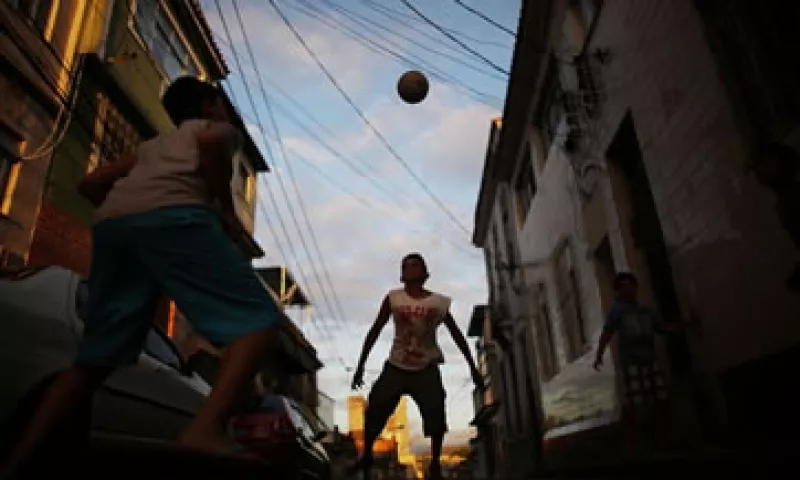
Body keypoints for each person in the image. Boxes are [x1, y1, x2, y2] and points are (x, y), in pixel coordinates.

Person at [2, 77, 283, 477]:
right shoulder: (214, 130)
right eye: (220, 104)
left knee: (92, 362)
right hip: (177, 216)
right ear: (208, 105)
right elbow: (214, 141)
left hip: (115, 225)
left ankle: (17, 460)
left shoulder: (152, 148)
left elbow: (91, 182)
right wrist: (222, 204)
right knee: (259, 324)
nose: (225, 113)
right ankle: (205, 428)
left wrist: (131, 214)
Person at [348, 253, 483, 480]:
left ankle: (436, 465)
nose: (410, 268)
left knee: (436, 412)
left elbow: (457, 334)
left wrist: (472, 367)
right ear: (402, 274)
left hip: (426, 367)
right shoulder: (394, 298)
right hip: (396, 366)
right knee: (376, 407)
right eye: (406, 265)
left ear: (424, 272)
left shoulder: (437, 303)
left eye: (415, 265)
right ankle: (367, 454)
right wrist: (361, 365)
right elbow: (375, 329)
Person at [593, 272, 695, 455]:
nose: (627, 290)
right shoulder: (617, 311)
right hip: (632, 363)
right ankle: (628, 441)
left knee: (661, 398)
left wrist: (685, 324)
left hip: (650, 360)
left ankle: (666, 437)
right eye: (623, 286)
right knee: (633, 402)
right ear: (617, 291)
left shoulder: (646, 311)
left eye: (630, 285)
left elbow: (662, 328)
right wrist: (599, 354)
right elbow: (607, 333)